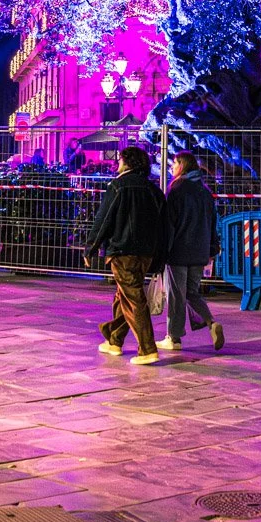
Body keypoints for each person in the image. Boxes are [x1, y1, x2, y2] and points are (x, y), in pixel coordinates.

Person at [84, 146, 166, 365]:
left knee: (134, 298)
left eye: (120, 159)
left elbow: (104, 219)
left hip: (122, 251)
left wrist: (91, 247)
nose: (117, 163)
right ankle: (114, 339)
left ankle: (147, 349)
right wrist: (160, 255)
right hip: (146, 252)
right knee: (124, 295)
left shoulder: (118, 186)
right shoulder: (153, 190)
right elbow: (163, 225)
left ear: (128, 162)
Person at [157, 151, 224, 353]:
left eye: (174, 163)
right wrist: (212, 248)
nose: (172, 167)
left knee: (176, 295)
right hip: (200, 251)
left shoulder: (176, 189)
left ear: (182, 165)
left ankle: (174, 337)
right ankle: (211, 322)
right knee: (191, 293)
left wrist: (163, 251)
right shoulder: (204, 191)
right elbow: (213, 222)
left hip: (178, 251)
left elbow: (169, 224)